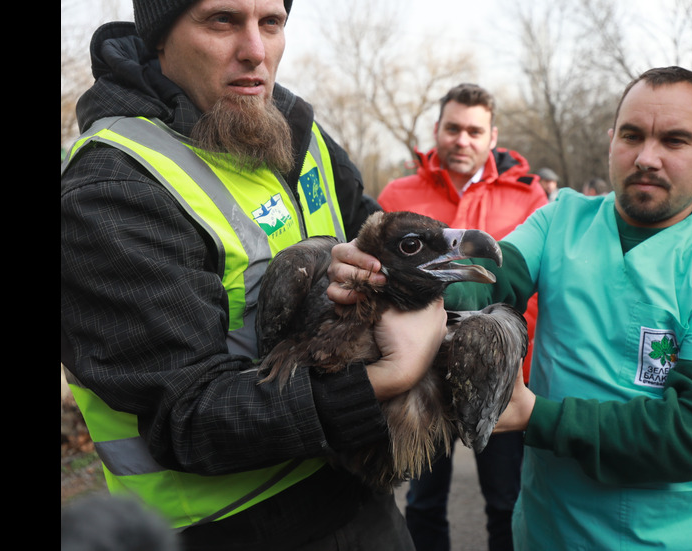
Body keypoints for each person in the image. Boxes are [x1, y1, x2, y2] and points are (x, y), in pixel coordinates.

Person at [330, 66, 692, 550]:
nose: (647, 157)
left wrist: (536, 416)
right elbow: (493, 280)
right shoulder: (562, 217)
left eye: (674, 141)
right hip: (549, 530)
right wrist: (388, 277)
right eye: (632, 135)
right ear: (612, 141)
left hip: (677, 536)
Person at [60, 1, 446, 549]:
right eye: (222, 20)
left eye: (272, 22)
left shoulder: (302, 136)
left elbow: (393, 252)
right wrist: (390, 377)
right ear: (160, 36)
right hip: (230, 529)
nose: (256, 51)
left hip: (360, 500)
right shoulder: (114, 185)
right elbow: (188, 419)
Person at [377, 83, 548, 551]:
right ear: (437, 129)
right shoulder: (397, 193)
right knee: (423, 500)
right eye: (453, 128)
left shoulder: (528, 199)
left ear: (493, 137)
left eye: (475, 130)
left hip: (499, 379)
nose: (462, 140)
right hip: (420, 380)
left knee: (504, 502)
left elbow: (534, 292)